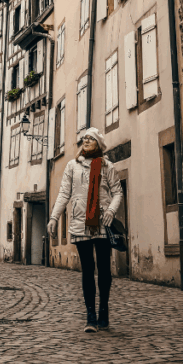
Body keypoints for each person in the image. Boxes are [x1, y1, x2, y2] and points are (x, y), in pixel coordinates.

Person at [47, 127, 123, 332]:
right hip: (81, 225)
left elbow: (117, 192)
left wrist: (112, 210)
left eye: (90, 138)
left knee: (105, 270)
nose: (86, 141)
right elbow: (64, 193)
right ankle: (90, 315)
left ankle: (104, 310)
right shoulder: (73, 166)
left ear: (98, 143)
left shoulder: (107, 166)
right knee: (88, 270)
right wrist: (54, 217)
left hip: (103, 224)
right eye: (84, 138)